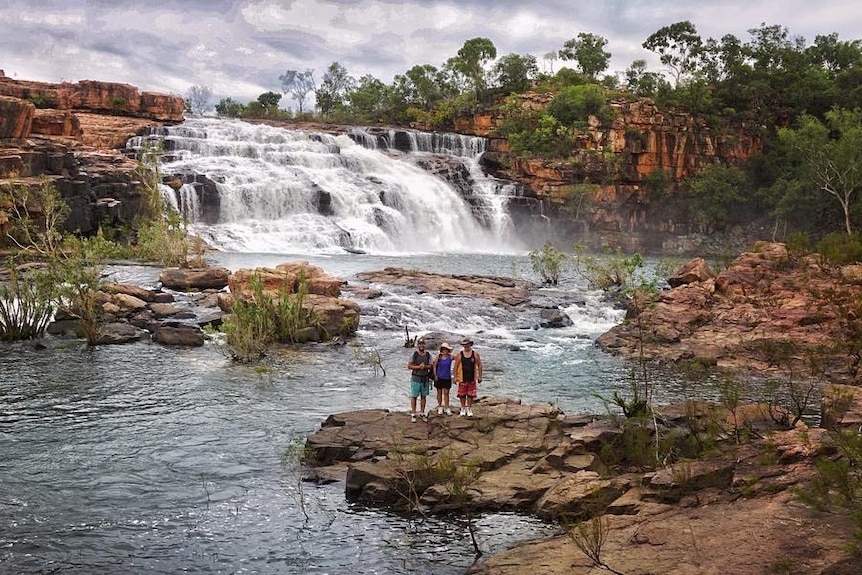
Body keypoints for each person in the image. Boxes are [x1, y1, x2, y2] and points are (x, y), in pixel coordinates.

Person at [453, 337, 482, 417]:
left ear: (470, 345)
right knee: (462, 394)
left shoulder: (475, 354)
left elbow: (479, 365)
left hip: (472, 377)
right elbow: (455, 366)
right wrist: (455, 377)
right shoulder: (460, 354)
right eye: (464, 345)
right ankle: (462, 408)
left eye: (467, 345)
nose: (466, 346)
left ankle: (469, 408)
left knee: (470, 394)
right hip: (462, 378)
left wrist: (480, 376)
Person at [407, 337, 432, 422]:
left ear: (425, 345)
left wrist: (425, 366)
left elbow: (431, 366)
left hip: (425, 378)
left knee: (423, 396)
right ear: (418, 345)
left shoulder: (428, 355)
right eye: (420, 344)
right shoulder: (414, 354)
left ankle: (422, 412)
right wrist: (418, 367)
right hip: (415, 378)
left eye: (423, 344)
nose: (422, 345)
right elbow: (409, 366)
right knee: (414, 396)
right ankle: (413, 413)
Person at [431, 342, 454, 415]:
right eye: (443, 349)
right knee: (439, 392)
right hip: (439, 377)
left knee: (446, 393)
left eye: (446, 349)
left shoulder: (450, 357)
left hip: (447, 377)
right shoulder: (439, 357)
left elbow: (459, 358)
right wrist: (435, 375)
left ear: (448, 350)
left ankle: (447, 407)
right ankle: (440, 406)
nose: (445, 350)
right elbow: (434, 366)